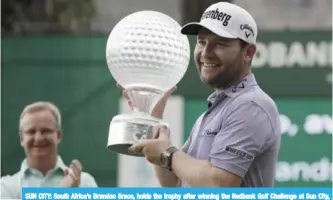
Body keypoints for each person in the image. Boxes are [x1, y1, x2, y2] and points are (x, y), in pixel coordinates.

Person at [120, 2, 281, 187]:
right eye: (201, 42)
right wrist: (153, 119)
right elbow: (175, 183)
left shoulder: (251, 105)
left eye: (219, 44)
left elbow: (219, 184)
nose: (206, 53)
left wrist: (169, 154)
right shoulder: (214, 111)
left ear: (249, 53)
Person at [1, 101, 98, 199]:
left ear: (58, 135)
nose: (38, 138)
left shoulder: (84, 183)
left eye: (45, 131)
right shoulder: (6, 187)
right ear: (22, 139)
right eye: (31, 132)